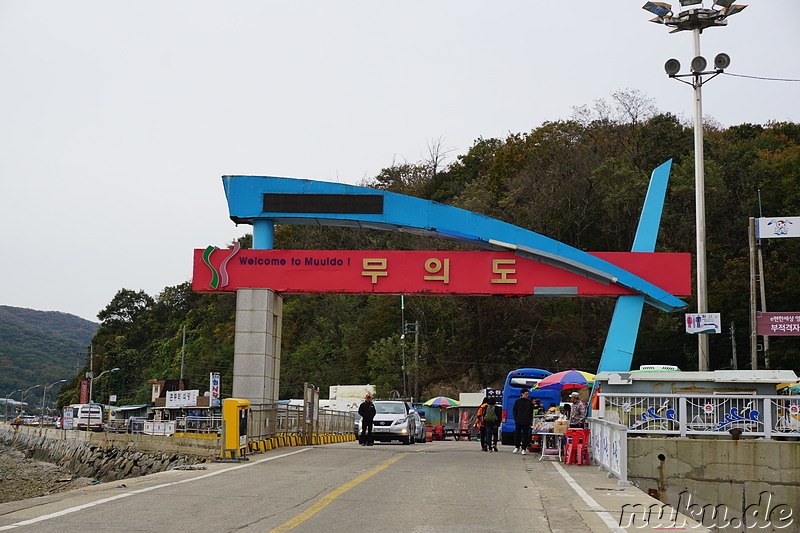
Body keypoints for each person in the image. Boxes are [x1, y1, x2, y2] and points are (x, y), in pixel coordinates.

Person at [512, 389, 533, 455]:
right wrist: (516, 418)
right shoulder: (517, 401)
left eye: (527, 394)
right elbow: (514, 411)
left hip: (526, 421)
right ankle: (517, 447)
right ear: (522, 394)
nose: (527, 395)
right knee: (517, 434)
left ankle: (524, 448)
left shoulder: (529, 402)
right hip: (518, 420)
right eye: (526, 394)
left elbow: (531, 412)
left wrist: (529, 419)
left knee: (525, 435)